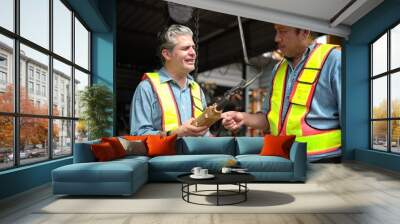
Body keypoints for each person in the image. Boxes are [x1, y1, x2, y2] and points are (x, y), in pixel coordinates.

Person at [222, 24, 342, 162]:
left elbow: (351, 122)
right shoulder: (278, 69)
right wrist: (243, 117)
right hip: (282, 159)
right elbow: (268, 119)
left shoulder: (334, 60)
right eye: (276, 32)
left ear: (304, 31)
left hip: (323, 162)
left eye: (283, 32)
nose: (277, 38)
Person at [130, 24, 209, 137]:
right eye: (185, 48)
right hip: (164, 155)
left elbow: (205, 134)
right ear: (167, 54)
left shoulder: (197, 89)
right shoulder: (147, 88)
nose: (193, 53)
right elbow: (138, 135)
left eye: (193, 47)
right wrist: (176, 133)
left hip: (197, 154)